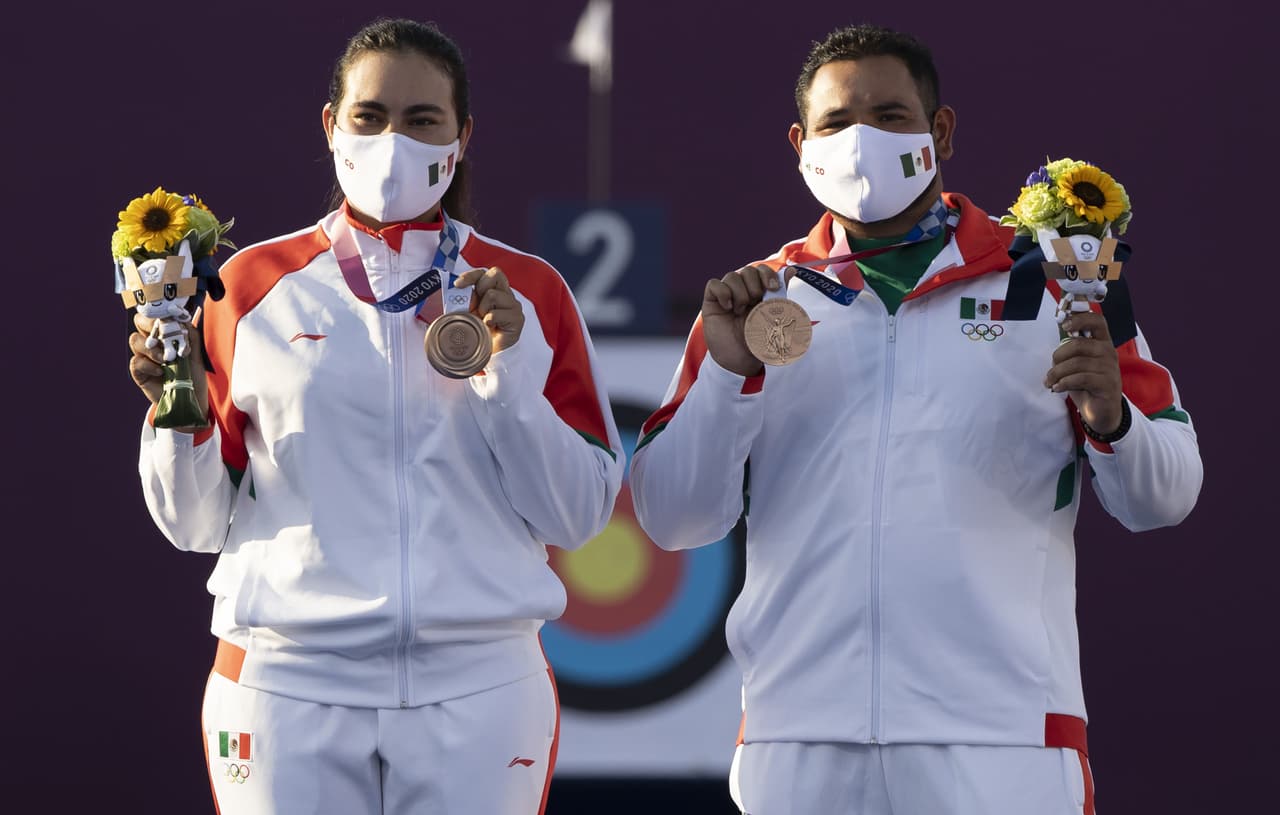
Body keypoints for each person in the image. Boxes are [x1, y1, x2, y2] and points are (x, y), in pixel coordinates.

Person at [628, 23, 1201, 815]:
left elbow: (1165, 495)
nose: (861, 141)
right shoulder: (761, 302)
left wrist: (1112, 414)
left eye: (891, 116)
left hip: (1003, 739)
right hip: (799, 738)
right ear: (801, 142)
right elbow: (672, 517)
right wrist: (731, 372)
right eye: (836, 123)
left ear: (942, 131)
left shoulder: (1057, 282)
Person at [127, 17, 623, 815]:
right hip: (287, 682)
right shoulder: (244, 287)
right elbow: (194, 523)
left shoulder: (527, 291)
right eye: (371, 116)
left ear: (462, 137)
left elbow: (577, 513)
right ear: (332, 125)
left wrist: (509, 374)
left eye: (422, 119)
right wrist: (171, 414)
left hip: (482, 684)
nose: (394, 140)